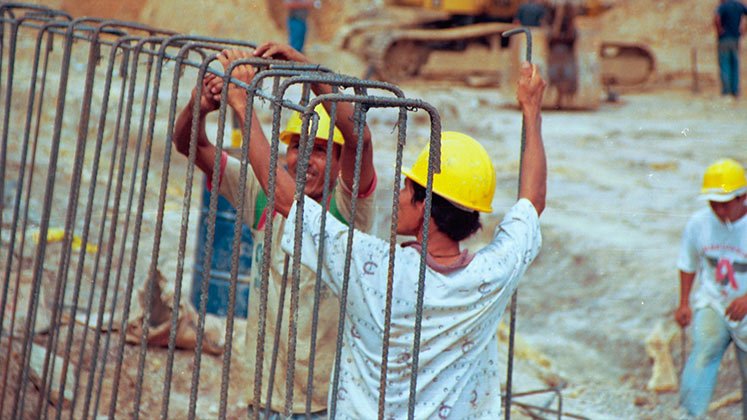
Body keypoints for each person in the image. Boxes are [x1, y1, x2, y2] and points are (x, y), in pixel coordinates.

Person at [219, 45, 546, 417]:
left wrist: (244, 106)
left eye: (407, 189)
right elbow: (533, 201)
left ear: (425, 207)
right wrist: (532, 111)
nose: (398, 196)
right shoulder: (491, 275)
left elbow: (284, 198)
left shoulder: (376, 269)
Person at [172, 42, 376, 418]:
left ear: (339, 160)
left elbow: (359, 137)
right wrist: (198, 108)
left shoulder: (348, 209)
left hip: (325, 403)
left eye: (317, 149)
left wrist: (305, 69)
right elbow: (190, 145)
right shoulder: (263, 195)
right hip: (265, 396)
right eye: (296, 146)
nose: (302, 160)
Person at [675, 158, 747, 418]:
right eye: (713, 204)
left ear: (743, 197)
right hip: (715, 300)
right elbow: (688, 261)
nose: (719, 210)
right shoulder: (699, 223)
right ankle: (690, 415)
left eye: (725, 204)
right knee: (704, 351)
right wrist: (684, 302)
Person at [714, 0, 747, 98]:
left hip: (724, 39)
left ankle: (726, 91)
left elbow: (716, 18)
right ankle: (735, 91)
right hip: (735, 38)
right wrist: (744, 29)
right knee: (735, 64)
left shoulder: (723, 6)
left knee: (725, 64)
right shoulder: (739, 5)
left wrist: (719, 30)